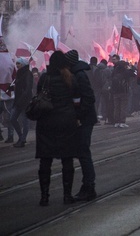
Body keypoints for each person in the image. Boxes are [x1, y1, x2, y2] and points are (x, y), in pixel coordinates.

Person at [36, 51, 80, 206]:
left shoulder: (44, 78)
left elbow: (38, 97)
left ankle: (44, 196)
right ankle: (67, 195)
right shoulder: (71, 79)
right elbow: (77, 100)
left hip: (46, 123)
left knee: (45, 160)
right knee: (67, 160)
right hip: (66, 123)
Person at [66, 50, 98, 202]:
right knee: (82, 152)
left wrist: (79, 116)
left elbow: (89, 97)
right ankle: (87, 186)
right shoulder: (78, 73)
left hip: (84, 120)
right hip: (84, 119)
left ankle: (89, 187)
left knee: (84, 153)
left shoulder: (79, 75)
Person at [10, 57, 33, 147]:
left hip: (25, 101)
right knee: (12, 118)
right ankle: (21, 137)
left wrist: (22, 98)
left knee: (25, 121)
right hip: (18, 101)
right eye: (16, 64)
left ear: (23, 64)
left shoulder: (28, 74)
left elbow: (27, 89)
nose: (17, 65)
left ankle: (23, 140)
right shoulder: (19, 74)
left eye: (19, 63)